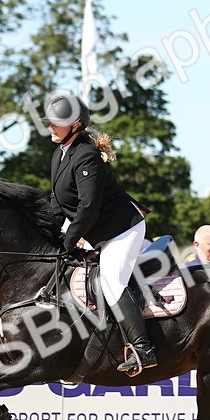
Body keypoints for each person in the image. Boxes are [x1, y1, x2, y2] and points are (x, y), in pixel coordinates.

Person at [43, 93, 155, 375]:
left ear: (75, 125)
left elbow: (88, 207)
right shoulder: (59, 154)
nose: (50, 127)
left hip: (122, 229)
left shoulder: (86, 155)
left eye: (56, 122)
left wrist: (69, 241)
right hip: (98, 230)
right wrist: (48, 235)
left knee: (112, 281)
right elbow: (57, 203)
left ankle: (143, 349)